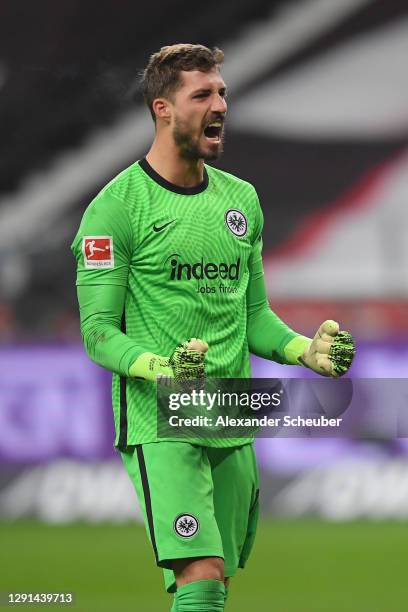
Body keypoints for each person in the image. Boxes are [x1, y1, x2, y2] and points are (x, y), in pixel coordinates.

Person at [71, 44, 355, 612]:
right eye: (202, 94)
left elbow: (252, 316)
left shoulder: (241, 201)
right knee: (201, 577)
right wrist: (163, 369)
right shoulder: (116, 208)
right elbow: (98, 331)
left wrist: (305, 350)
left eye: (221, 91)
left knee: (213, 584)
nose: (219, 103)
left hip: (229, 409)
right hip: (162, 417)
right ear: (163, 110)